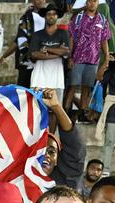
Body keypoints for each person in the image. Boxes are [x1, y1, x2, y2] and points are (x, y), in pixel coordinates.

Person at [65, 0, 111, 123]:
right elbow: (72, 39)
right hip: (78, 59)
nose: (92, 3)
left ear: (98, 4)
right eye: (90, 1)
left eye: (95, 1)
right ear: (86, 3)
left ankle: (81, 114)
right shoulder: (78, 18)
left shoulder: (102, 19)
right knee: (72, 87)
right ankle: (66, 112)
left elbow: (104, 40)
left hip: (93, 60)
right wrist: (70, 57)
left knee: (87, 88)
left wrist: (106, 57)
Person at [29, 3, 69, 131]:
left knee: (56, 111)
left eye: (54, 14)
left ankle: (51, 139)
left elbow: (66, 52)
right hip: (39, 78)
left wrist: (46, 49)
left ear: (57, 16)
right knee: (37, 110)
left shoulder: (63, 33)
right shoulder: (37, 35)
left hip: (57, 78)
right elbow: (34, 54)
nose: (51, 16)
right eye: (48, 14)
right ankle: (37, 138)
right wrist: (56, 53)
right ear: (45, 17)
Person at [0, 0, 46, 89]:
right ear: (33, 1)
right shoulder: (26, 18)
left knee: (40, 92)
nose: (41, 1)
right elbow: (20, 40)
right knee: (24, 91)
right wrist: (4, 56)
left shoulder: (48, 16)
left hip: (44, 61)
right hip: (27, 62)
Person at [97, 52, 115, 174]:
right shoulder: (114, 71)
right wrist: (105, 63)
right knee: (109, 142)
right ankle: (106, 170)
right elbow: (99, 80)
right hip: (113, 110)